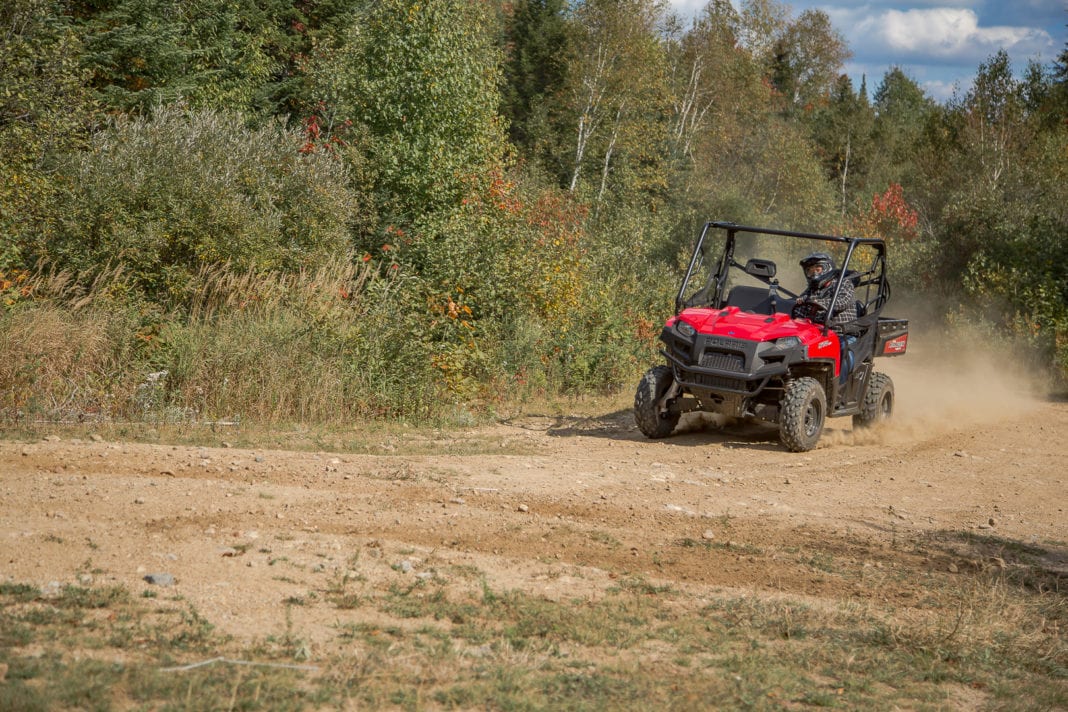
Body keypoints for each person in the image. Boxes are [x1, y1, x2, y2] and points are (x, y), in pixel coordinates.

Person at [791, 252, 856, 327]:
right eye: (810, 272)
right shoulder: (812, 289)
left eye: (818, 270)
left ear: (827, 268)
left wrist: (818, 302)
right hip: (818, 330)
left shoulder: (843, 283)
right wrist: (798, 316)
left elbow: (842, 301)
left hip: (840, 330)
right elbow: (801, 305)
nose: (814, 274)